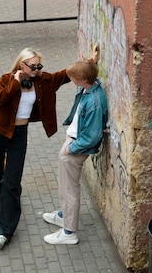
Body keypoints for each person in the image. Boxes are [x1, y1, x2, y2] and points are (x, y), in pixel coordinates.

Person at [0, 47, 70, 250]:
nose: (37, 69)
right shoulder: (7, 79)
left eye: (39, 65)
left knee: (12, 181)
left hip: (19, 136)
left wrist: (89, 63)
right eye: (33, 66)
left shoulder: (43, 80)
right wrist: (15, 82)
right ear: (22, 65)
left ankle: (4, 230)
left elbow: (64, 76)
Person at [43, 45, 108, 245]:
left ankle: (69, 232)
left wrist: (71, 149)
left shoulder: (94, 101)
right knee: (65, 185)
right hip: (72, 143)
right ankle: (64, 215)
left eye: (73, 78)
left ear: (83, 80)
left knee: (70, 189)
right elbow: (87, 71)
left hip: (75, 148)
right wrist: (93, 60)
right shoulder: (89, 87)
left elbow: (93, 135)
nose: (71, 81)